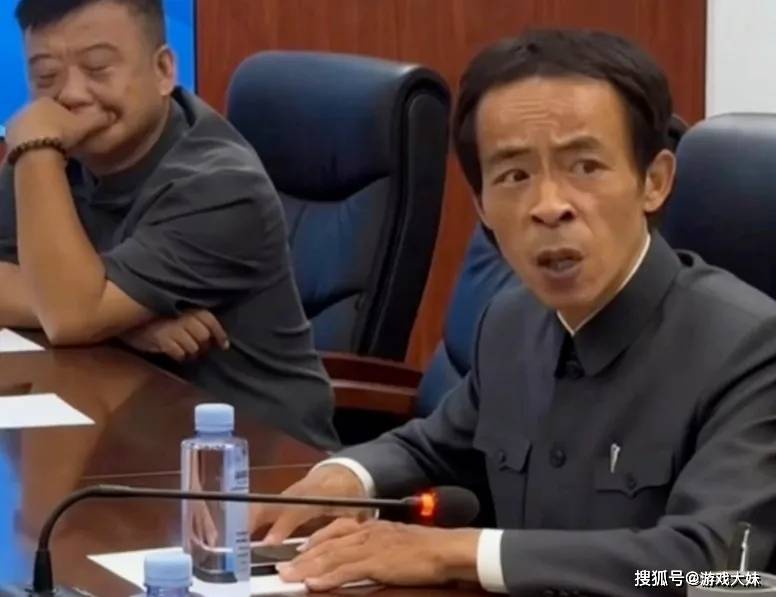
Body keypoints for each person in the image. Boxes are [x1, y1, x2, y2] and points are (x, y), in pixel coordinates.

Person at [249, 29, 776, 595]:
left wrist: (461, 553)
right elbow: (432, 446)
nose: (549, 207)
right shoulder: (510, 321)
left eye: (585, 166)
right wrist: (343, 477)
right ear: (482, 207)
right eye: (515, 176)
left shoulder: (750, 349)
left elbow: (713, 570)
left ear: (654, 181)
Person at [0, 0, 339, 450]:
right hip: (129, 436)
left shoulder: (221, 185)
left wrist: (93, 312)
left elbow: (69, 317)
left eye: (98, 69)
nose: (70, 96)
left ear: (163, 70)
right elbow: (64, 309)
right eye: (46, 77)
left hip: (259, 463)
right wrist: (123, 324)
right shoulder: (53, 157)